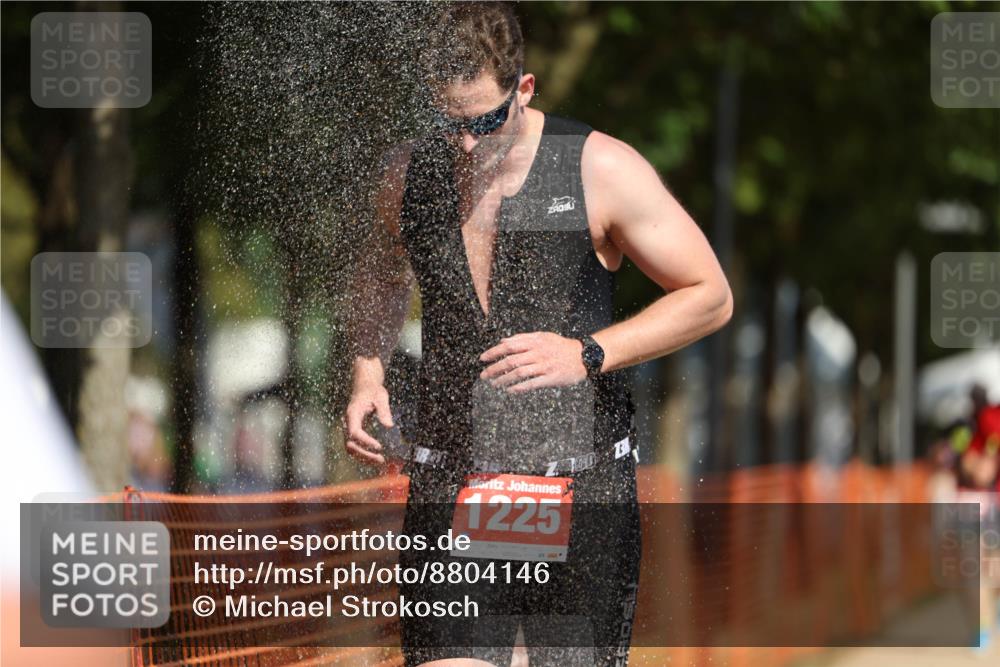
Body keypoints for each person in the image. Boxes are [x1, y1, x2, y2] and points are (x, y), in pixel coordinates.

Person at [343, 3, 732, 665]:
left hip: (579, 488)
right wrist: (367, 374)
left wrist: (588, 352)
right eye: (450, 122)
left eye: (487, 121)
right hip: (452, 481)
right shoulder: (411, 176)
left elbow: (710, 295)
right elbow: (380, 272)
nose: (468, 143)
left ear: (523, 89)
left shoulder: (594, 168)